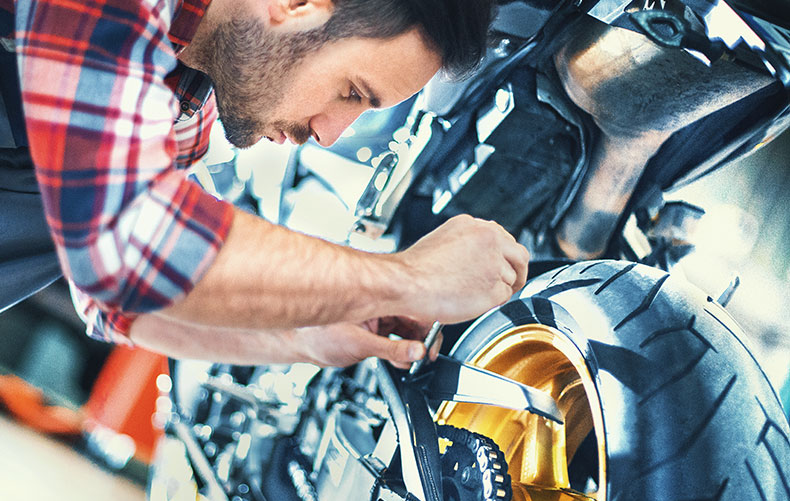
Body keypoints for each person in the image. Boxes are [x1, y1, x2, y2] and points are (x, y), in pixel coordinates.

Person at [0, 0, 530, 369]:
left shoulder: (184, 105)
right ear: (298, 3)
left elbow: (116, 301)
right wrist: (409, 277)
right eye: (350, 91)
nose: (329, 133)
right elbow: (130, 247)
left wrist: (300, 333)